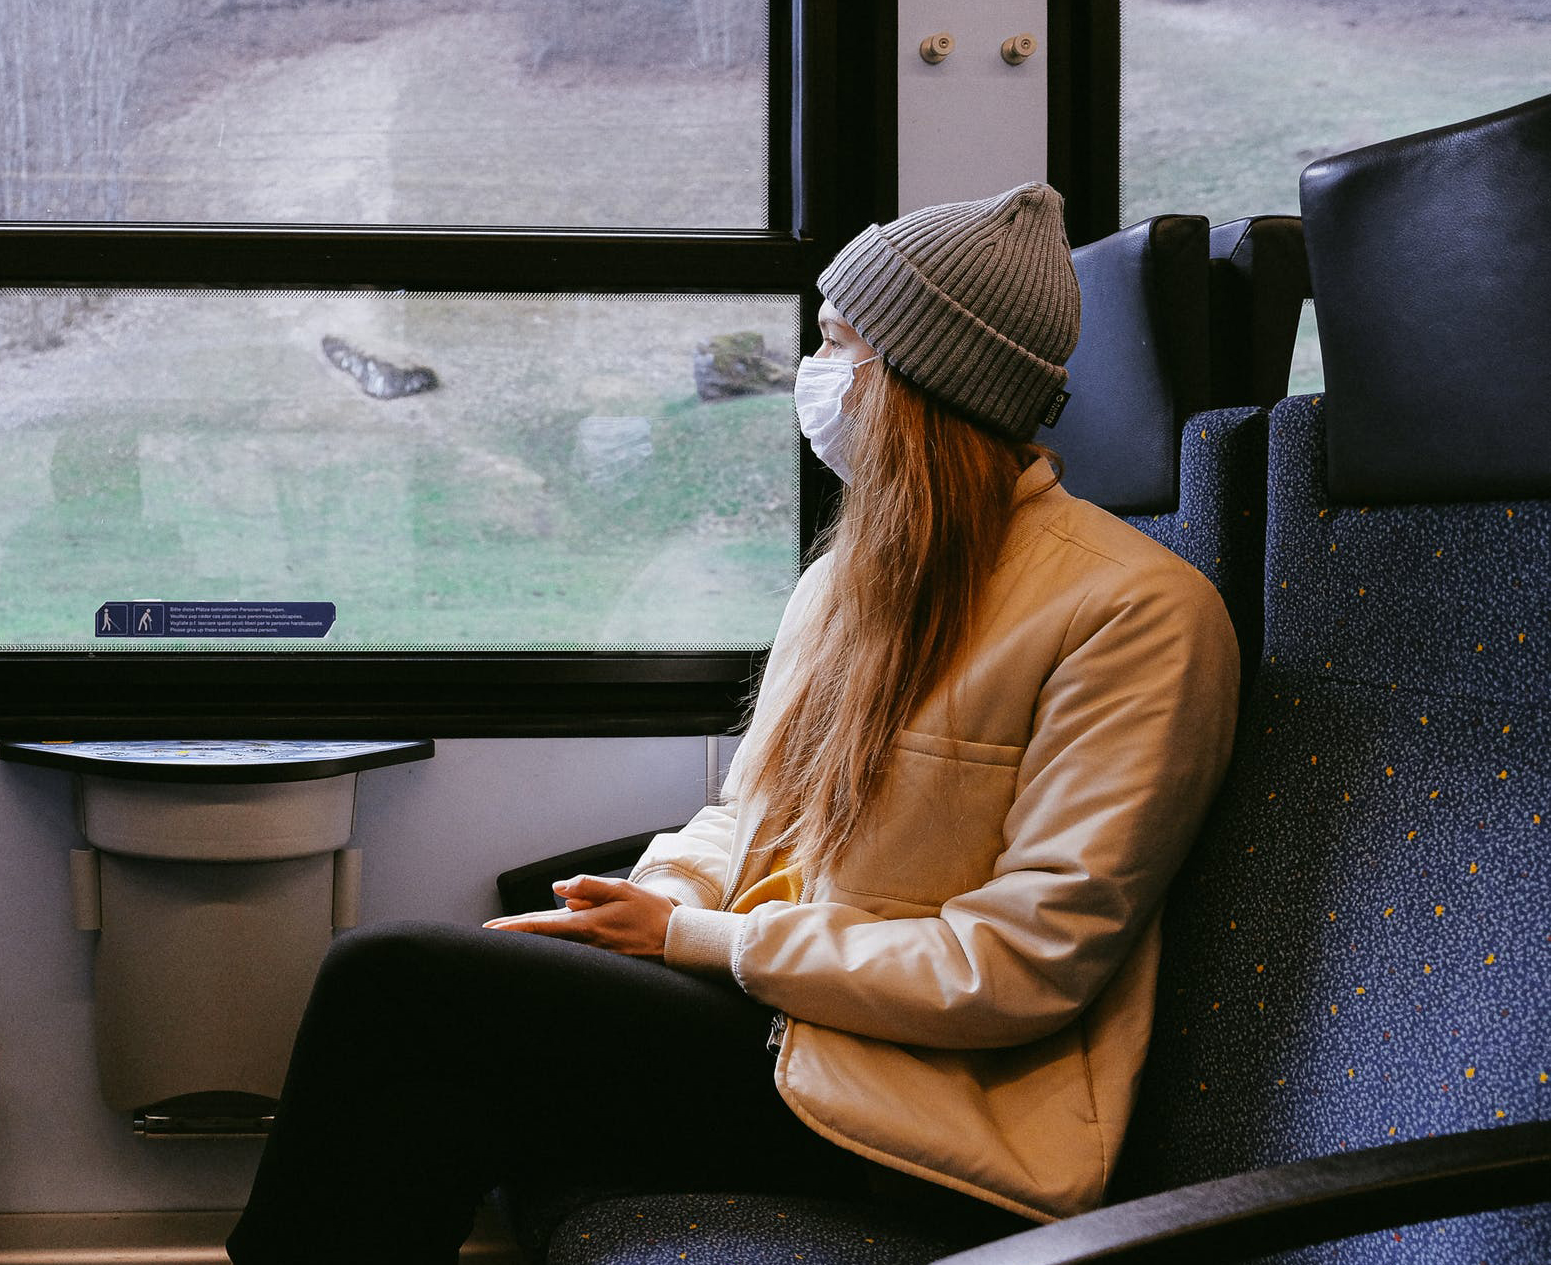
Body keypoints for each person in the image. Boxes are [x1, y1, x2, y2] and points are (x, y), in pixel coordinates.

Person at [225, 183, 1240, 1264]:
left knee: (397, 985)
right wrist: (656, 899)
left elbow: (1021, 963)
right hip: (794, 1026)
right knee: (443, 1030)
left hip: (928, 1101)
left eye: (839, 344)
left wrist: (695, 941)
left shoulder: (1136, 612)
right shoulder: (857, 577)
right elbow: (748, 815)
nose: (816, 377)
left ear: (921, 379)